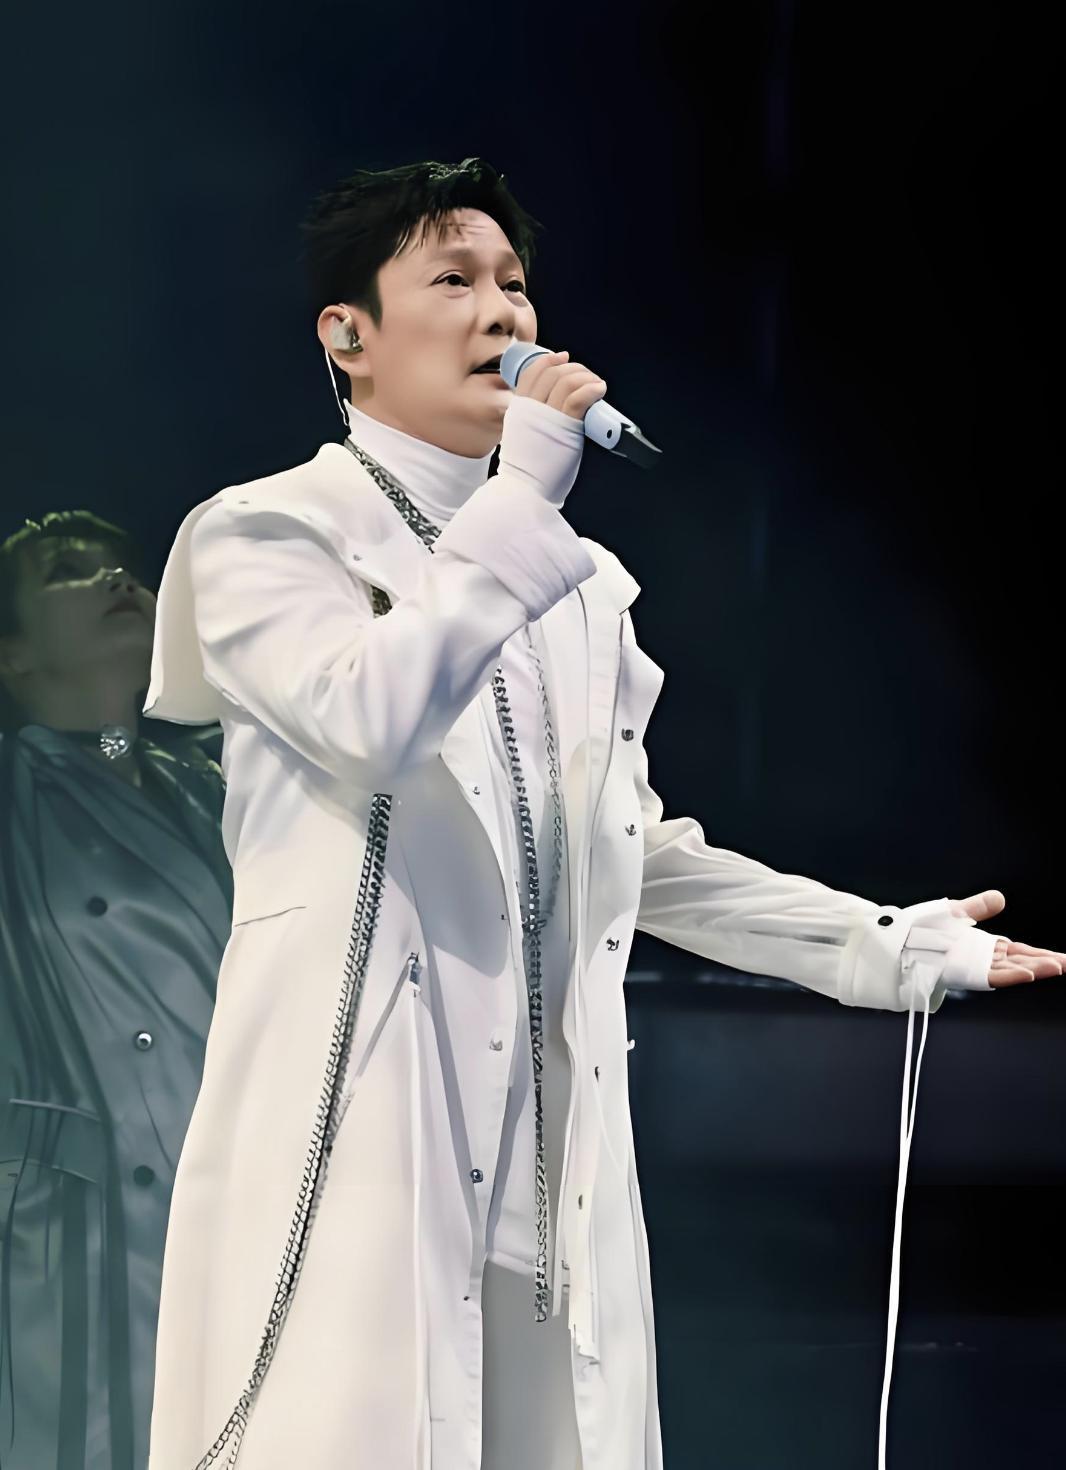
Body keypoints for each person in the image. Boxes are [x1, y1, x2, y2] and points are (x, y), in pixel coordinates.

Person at [140, 158, 1065, 1470]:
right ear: (348, 335)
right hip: (367, 1129)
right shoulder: (267, 533)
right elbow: (372, 719)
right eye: (451, 280)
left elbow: (640, 853)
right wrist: (523, 497)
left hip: (542, 1159)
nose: (501, 312)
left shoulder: (574, 587)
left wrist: (879, 942)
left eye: (513, 283)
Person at [0, 510, 232, 1470]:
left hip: (231, 1208)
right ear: (12, 656)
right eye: (68, 569)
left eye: (122, 565)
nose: (114, 579)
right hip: (68, 1244)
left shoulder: (208, 785)